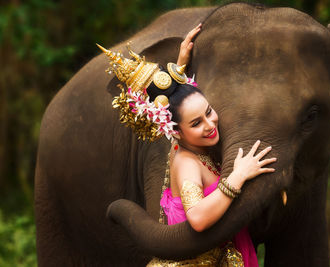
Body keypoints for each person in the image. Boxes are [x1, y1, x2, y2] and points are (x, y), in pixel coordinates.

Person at [98, 24, 277, 267]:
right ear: (176, 132)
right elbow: (198, 218)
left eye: (209, 111)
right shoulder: (186, 163)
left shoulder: (195, 147)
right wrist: (238, 176)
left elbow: (177, 103)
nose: (210, 124)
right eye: (196, 123)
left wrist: (179, 67)